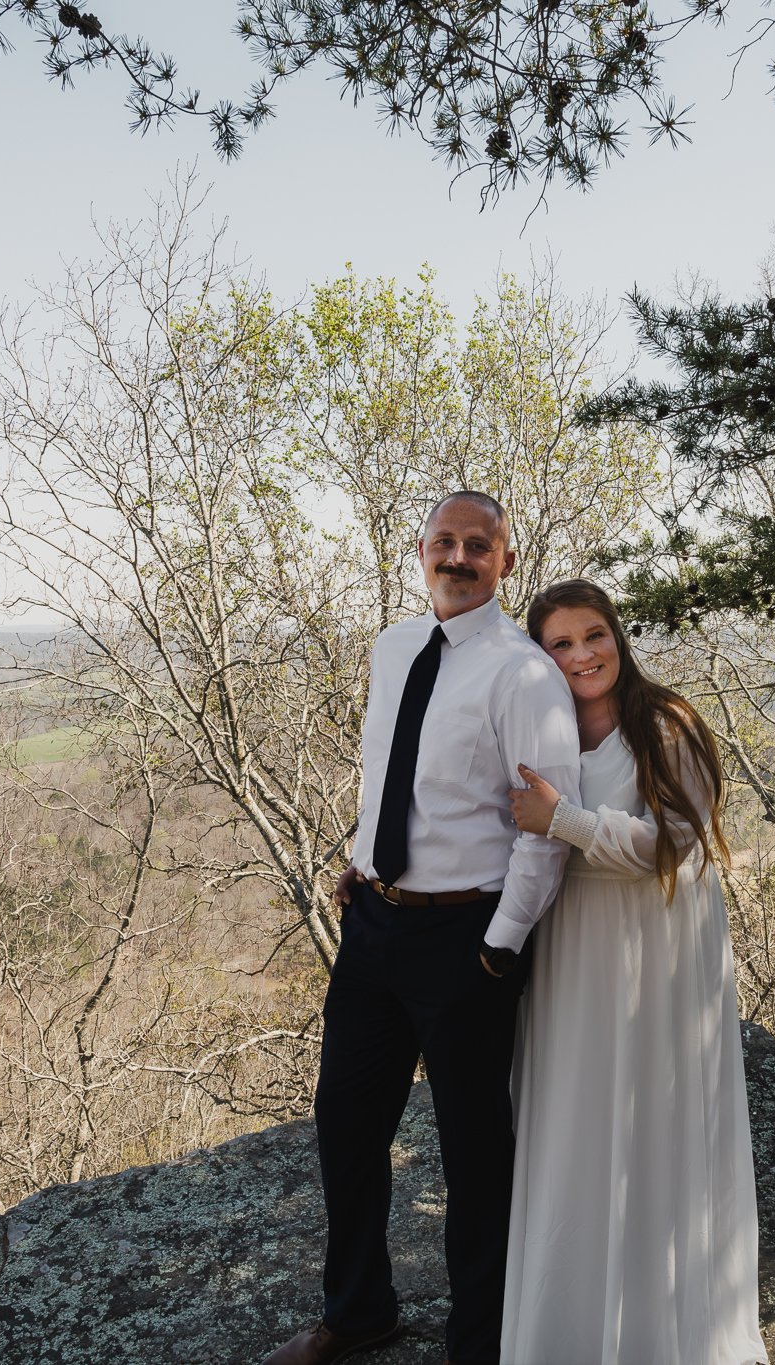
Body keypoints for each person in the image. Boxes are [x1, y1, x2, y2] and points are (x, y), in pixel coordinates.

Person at [266, 492, 582, 1365]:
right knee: (346, 1124)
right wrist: (363, 855)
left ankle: (480, 1347)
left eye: (478, 545)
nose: (458, 557)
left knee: (477, 1157)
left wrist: (499, 945)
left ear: (505, 563)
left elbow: (545, 827)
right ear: (420, 551)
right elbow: (394, 774)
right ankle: (359, 1309)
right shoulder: (393, 644)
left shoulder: (524, 676)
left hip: (465, 942)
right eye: (444, 541)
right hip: (373, 926)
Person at [502, 578, 768, 1365]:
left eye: (595, 635)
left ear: (618, 637)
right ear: (541, 655)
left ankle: (663, 1331)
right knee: (572, 1123)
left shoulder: (665, 722)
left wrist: (566, 819)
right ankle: (570, 1332)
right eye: (561, 642)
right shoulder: (537, 725)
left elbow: (672, 845)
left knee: (653, 1121)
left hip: (656, 946)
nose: (582, 654)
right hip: (570, 946)